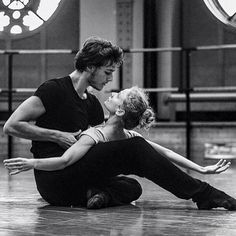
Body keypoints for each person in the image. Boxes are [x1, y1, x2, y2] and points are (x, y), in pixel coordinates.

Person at [4, 87, 236, 211]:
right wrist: (31, 163)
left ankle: (100, 196)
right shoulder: (94, 133)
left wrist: (201, 168)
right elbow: (64, 162)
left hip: (79, 190)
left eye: (118, 96)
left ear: (121, 111)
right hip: (61, 184)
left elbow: (165, 153)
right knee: (136, 149)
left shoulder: (128, 137)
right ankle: (205, 195)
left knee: (133, 187)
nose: (112, 93)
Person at [3, 37, 143, 209]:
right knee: (122, 186)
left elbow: (100, 144)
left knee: (133, 187)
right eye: (107, 72)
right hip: (53, 178)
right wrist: (57, 136)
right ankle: (99, 194)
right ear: (90, 67)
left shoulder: (93, 103)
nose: (110, 79)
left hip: (79, 175)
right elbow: (11, 125)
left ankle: (97, 195)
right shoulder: (54, 90)